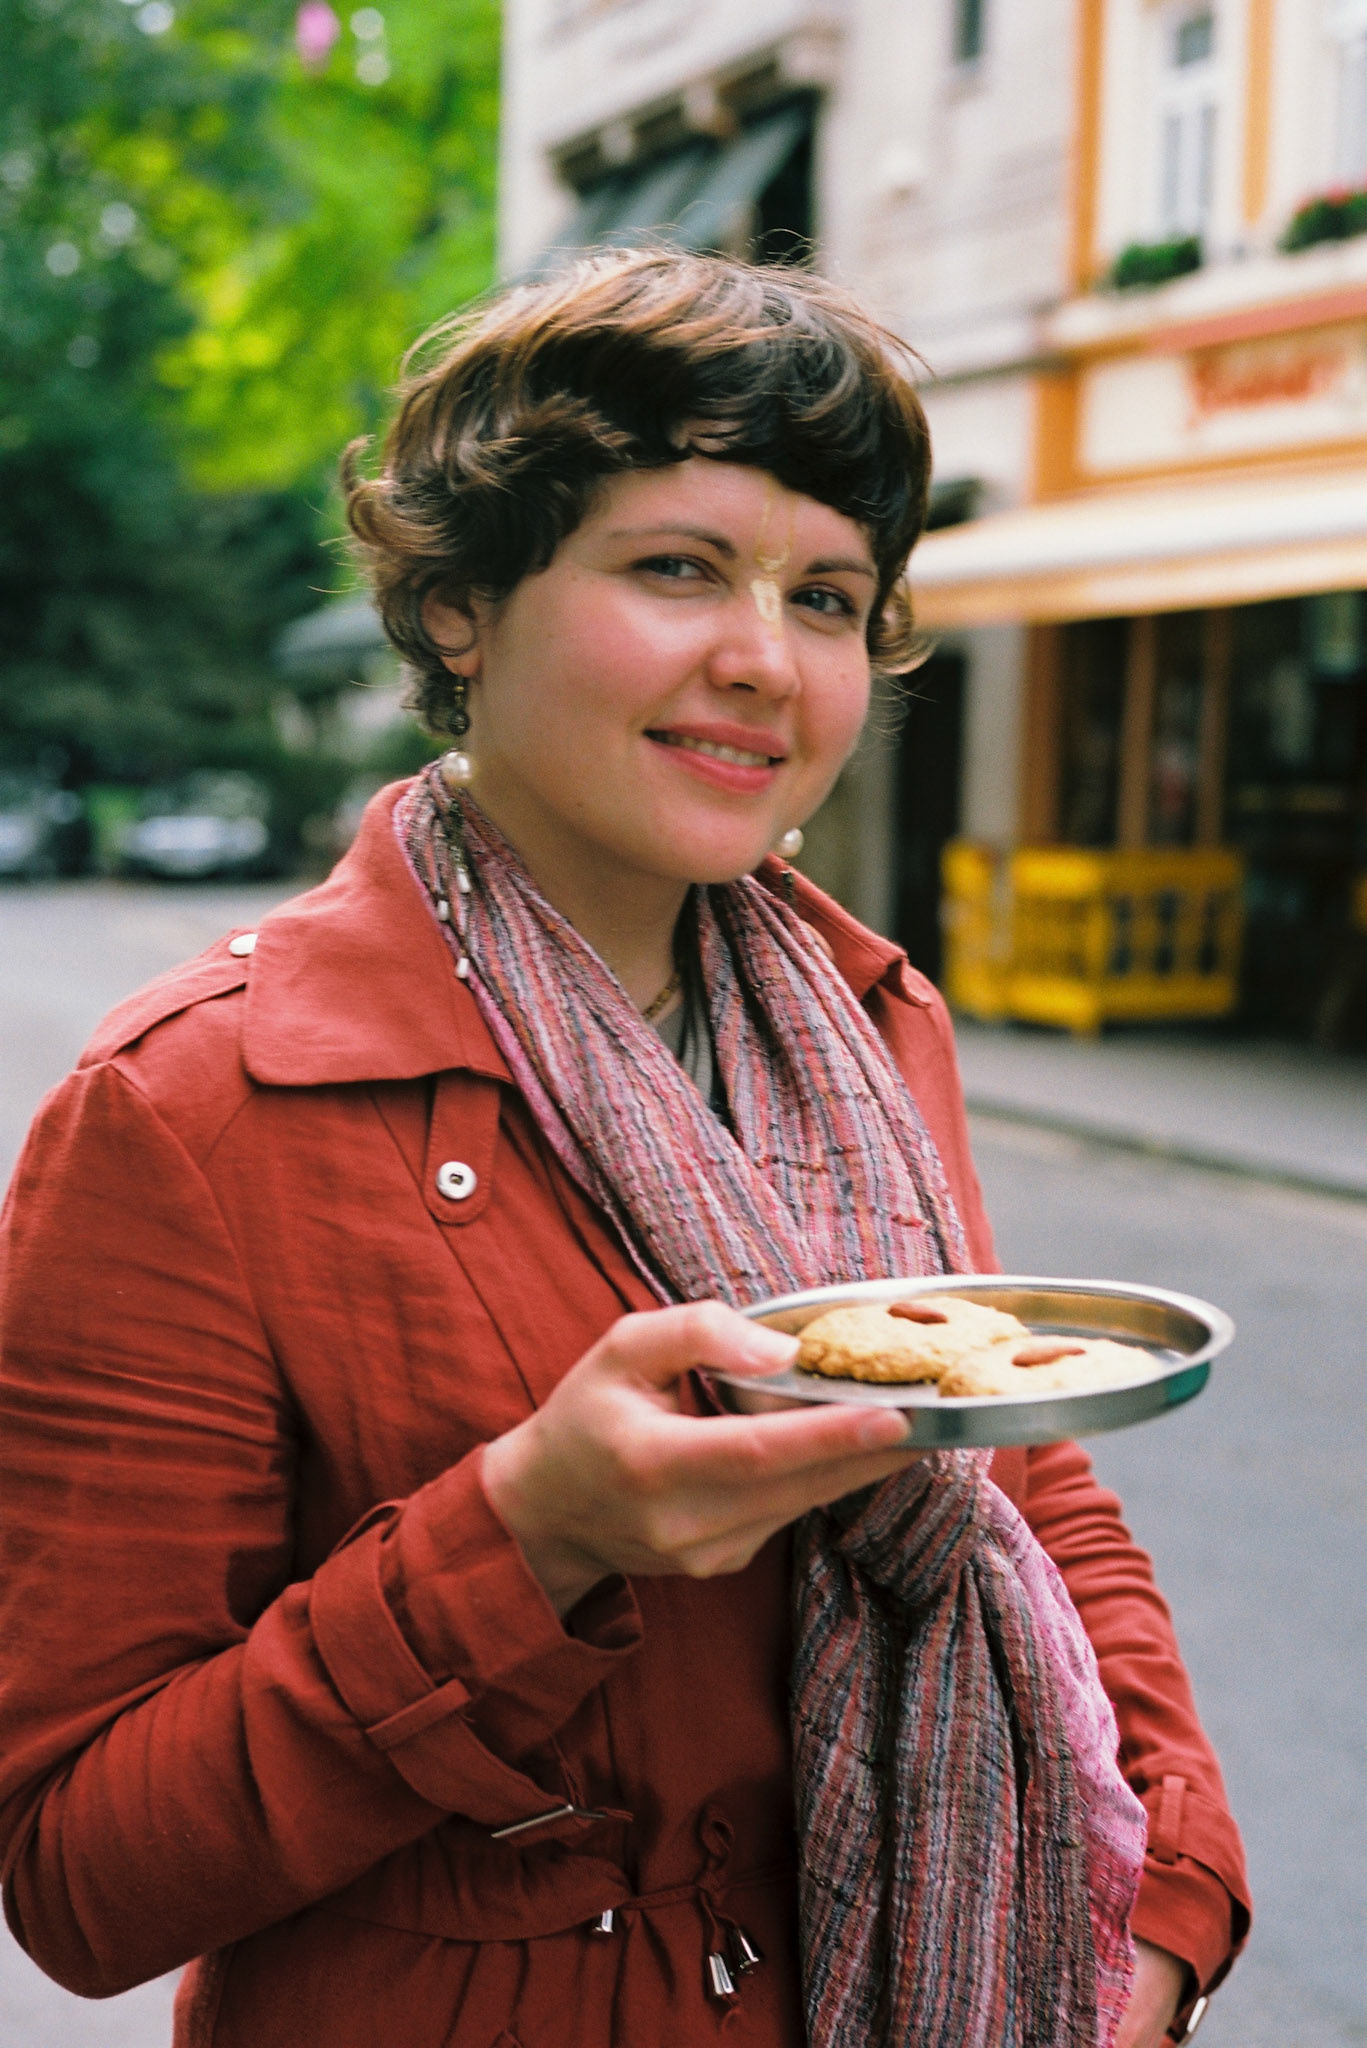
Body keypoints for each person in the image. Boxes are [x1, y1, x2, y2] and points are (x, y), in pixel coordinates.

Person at [0, 249, 1248, 2048]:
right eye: (676, 566)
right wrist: (531, 1536)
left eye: (828, 595)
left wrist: (1159, 1910)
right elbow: (78, 1876)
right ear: (463, 610)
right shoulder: (185, 1112)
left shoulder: (868, 1023)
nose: (762, 659)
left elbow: (1025, 1491)